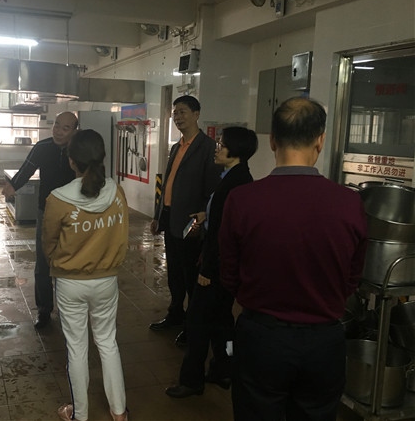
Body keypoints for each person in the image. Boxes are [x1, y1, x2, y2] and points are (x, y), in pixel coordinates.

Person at [219, 97, 368, 421]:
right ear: (320, 140)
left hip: (261, 337)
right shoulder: (349, 203)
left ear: (272, 141)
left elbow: (228, 273)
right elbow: (353, 276)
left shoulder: (242, 200)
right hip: (324, 342)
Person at [42, 129, 129, 421]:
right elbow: (123, 236)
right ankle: (119, 413)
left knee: (77, 349)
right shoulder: (117, 193)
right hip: (107, 281)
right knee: (108, 343)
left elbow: (49, 243)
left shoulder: (58, 199)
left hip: (70, 283)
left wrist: (59, 263)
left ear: (71, 161)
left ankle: (80, 415)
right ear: (102, 157)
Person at [166, 126, 258, 398]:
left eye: (222, 145)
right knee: (222, 320)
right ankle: (224, 368)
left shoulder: (235, 183)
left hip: (216, 266)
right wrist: (206, 215)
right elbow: (223, 218)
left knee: (197, 322)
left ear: (235, 151)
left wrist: (206, 269)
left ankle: (192, 380)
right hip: (225, 265)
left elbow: (222, 233)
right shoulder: (234, 177)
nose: (217, 149)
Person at [149, 95, 219, 344]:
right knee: (175, 274)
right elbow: (167, 183)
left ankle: (193, 325)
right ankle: (175, 313)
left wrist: (202, 217)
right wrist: (158, 215)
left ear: (196, 114)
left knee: (191, 277)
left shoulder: (208, 148)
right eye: (175, 113)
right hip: (171, 218)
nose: (177, 117)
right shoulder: (176, 147)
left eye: (182, 112)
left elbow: (212, 189)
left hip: (191, 223)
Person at [1, 111, 78, 328]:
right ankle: (44, 310)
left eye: (65, 128)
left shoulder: (78, 149)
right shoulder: (43, 147)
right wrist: (13, 185)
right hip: (47, 212)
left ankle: (69, 308)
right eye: (56, 125)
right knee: (43, 263)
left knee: (70, 262)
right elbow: (27, 168)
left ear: (74, 131)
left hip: (74, 213)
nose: (58, 131)